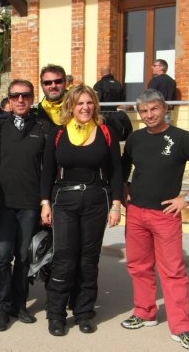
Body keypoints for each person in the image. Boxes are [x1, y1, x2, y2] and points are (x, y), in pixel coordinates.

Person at [120, 89, 189, 351]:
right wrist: (124, 189)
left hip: (166, 216)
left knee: (173, 272)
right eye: (144, 111)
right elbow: (124, 166)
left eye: (154, 109)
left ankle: (182, 326)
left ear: (165, 108)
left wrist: (187, 198)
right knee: (139, 266)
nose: (149, 115)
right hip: (136, 213)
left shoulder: (181, 138)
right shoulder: (135, 139)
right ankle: (145, 312)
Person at [41, 84, 122, 336]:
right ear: (71, 107)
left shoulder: (106, 132)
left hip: (97, 200)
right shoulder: (57, 133)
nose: (85, 107)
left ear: (94, 105)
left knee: (89, 260)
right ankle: (56, 314)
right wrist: (45, 202)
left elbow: (116, 171)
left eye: (89, 103)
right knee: (64, 259)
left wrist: (116, 204)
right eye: (80, 103)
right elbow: (46, 171)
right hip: (64, 200)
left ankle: (84, 312)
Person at [0, 79, 49, 331]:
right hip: (3, 204)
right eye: (15, 96)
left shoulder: (44, 128)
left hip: (29, 204)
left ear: (32, 97)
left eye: (25, 95)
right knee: (3, 258)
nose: (21, 100)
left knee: (24, 257)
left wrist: (45, 202)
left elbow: (48, 170)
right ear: (9, 100)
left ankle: (19, 305)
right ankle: (2, 308)